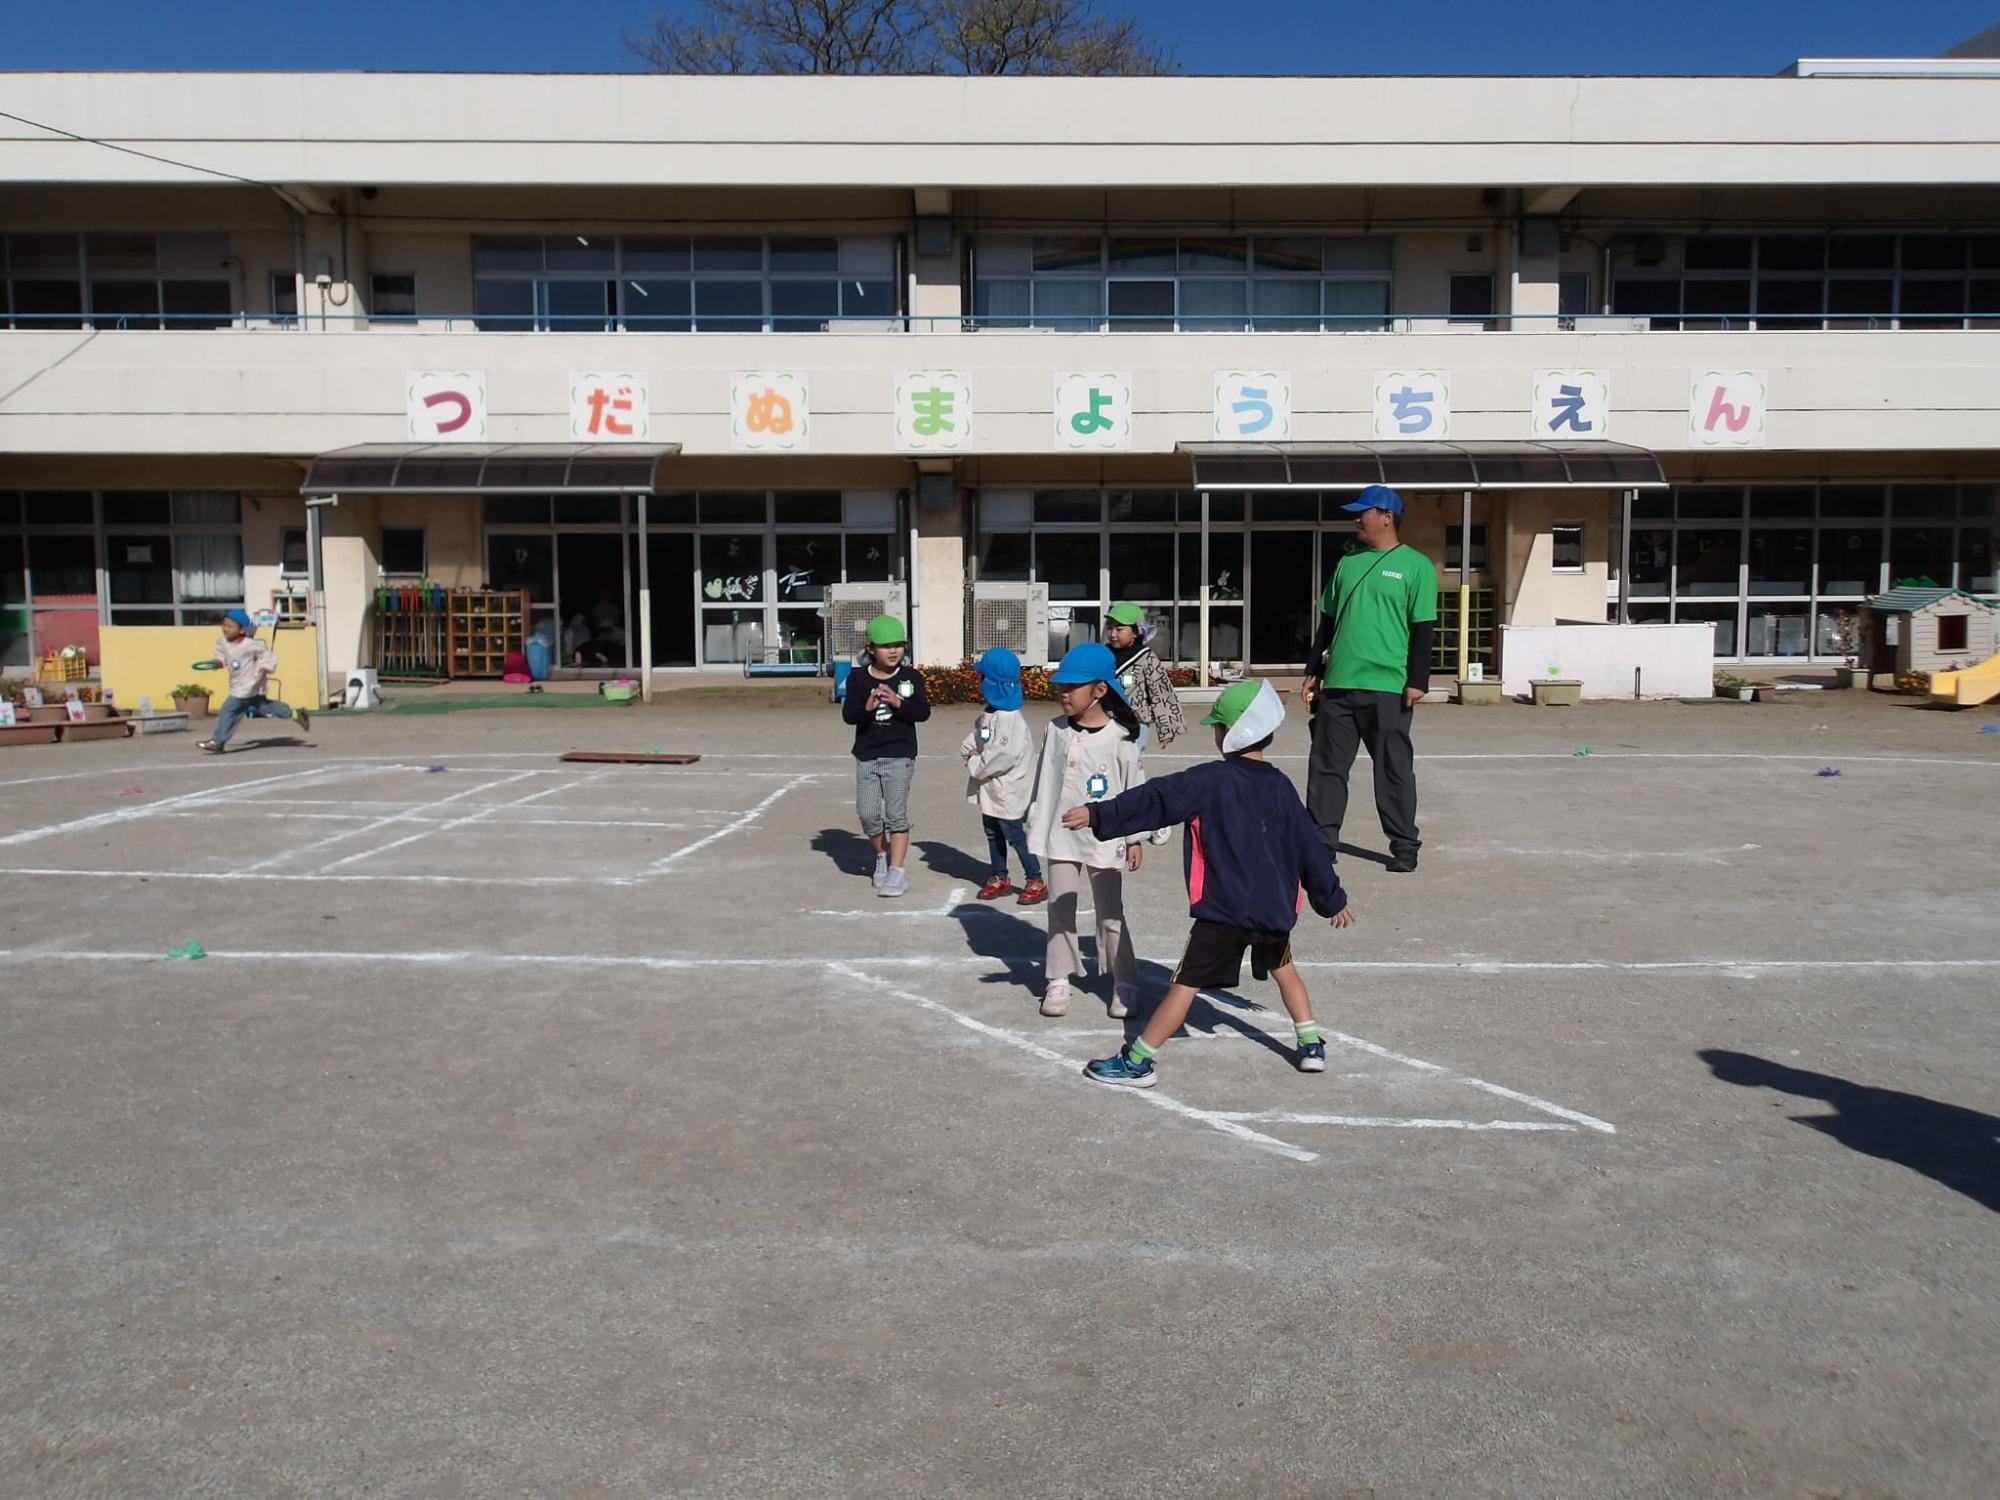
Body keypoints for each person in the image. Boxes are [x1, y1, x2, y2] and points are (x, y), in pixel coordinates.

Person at [1068, 680, 1355, 1090]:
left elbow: (1156, 799)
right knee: (1284, 968)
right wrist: (1332, 899)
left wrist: (1099, 815)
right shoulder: (1280, 786)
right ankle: (1311, 1044)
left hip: (1223, 911)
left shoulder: (1211, 780)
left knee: (1184, 987)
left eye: (1219, 726)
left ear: (1234, 731)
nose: (1216, 733)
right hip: (1272, 908)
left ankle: (1137, 1061)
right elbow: (1309, 847)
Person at [1300, 483, 1437, 874]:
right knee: (1326, 767)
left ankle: (1404, 845)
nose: (1356, 519)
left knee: (1393, 769)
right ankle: (1322, 842)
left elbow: (1423, 629)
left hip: (1389, 687)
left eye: (1363, 513)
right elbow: (1328, 622)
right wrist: (1314, 669)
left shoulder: (1417, 566)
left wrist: (1418, 680)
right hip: (1339, 685)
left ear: (1387, 517)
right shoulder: (1347, 563)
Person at [1025, 643, 1145, 1020]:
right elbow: (1043, 780)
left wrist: (1135, 838)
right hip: (1060, 835)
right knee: (1060, 906)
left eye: (1072, 686)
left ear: (1099, 690)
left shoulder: (1121, 739)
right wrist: (1036, 822)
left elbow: (1134, 792)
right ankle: (1058, 978)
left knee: (1110, 912)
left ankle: (1124, 981)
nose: (1063, 693)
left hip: (1105, 838)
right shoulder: (1055, 730)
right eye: (1060, 686)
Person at [841, 613, 930, 898]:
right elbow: (849, 715)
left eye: (898, 645)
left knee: (896, 815)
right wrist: (867, 708)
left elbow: (923, 712)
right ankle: (882, 854)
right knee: (867, 813)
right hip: (867, 755)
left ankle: (897, 871)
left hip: (899, 754)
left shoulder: (910, 677)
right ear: (870, 648)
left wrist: (898, 702)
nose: (893, 651)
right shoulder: (858, 678)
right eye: (885, 646)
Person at [959, 646, 1047, 905]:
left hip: (1007, 789)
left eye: (982, 676)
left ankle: (1035, 879)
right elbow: (978, 738)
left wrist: (975, 760)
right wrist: (969, 750)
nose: (978, 680)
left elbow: (1002, 756)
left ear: (991, 682)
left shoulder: (1010, 719)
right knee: (992, 831)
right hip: (991, 788)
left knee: (1014, 834)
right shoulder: (990, 713)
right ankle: (1000, 875)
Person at [198, 609, 309, 754]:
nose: (225, 629)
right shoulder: (222, 643)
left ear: (242, 630)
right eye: (224, 625)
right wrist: (218, 662)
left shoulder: (251, 645)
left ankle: (218, 742)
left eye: (230, 626)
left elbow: (268, 657)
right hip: (238, 684)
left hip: (249, 684)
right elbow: (220, 655)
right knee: (263, 705)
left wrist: (263, 669)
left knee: (228, 711)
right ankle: (296, 714)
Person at [1105, 602, 1188, 755]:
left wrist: (1166, 729)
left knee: (1131, 760)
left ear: (1136, 632)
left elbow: (1161, 693)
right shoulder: (1103, 655)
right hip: (1105, 721)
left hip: (1136, 723)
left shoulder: (1146, 658)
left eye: (1119, 629)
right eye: (1109, 628)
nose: (1113, 634)